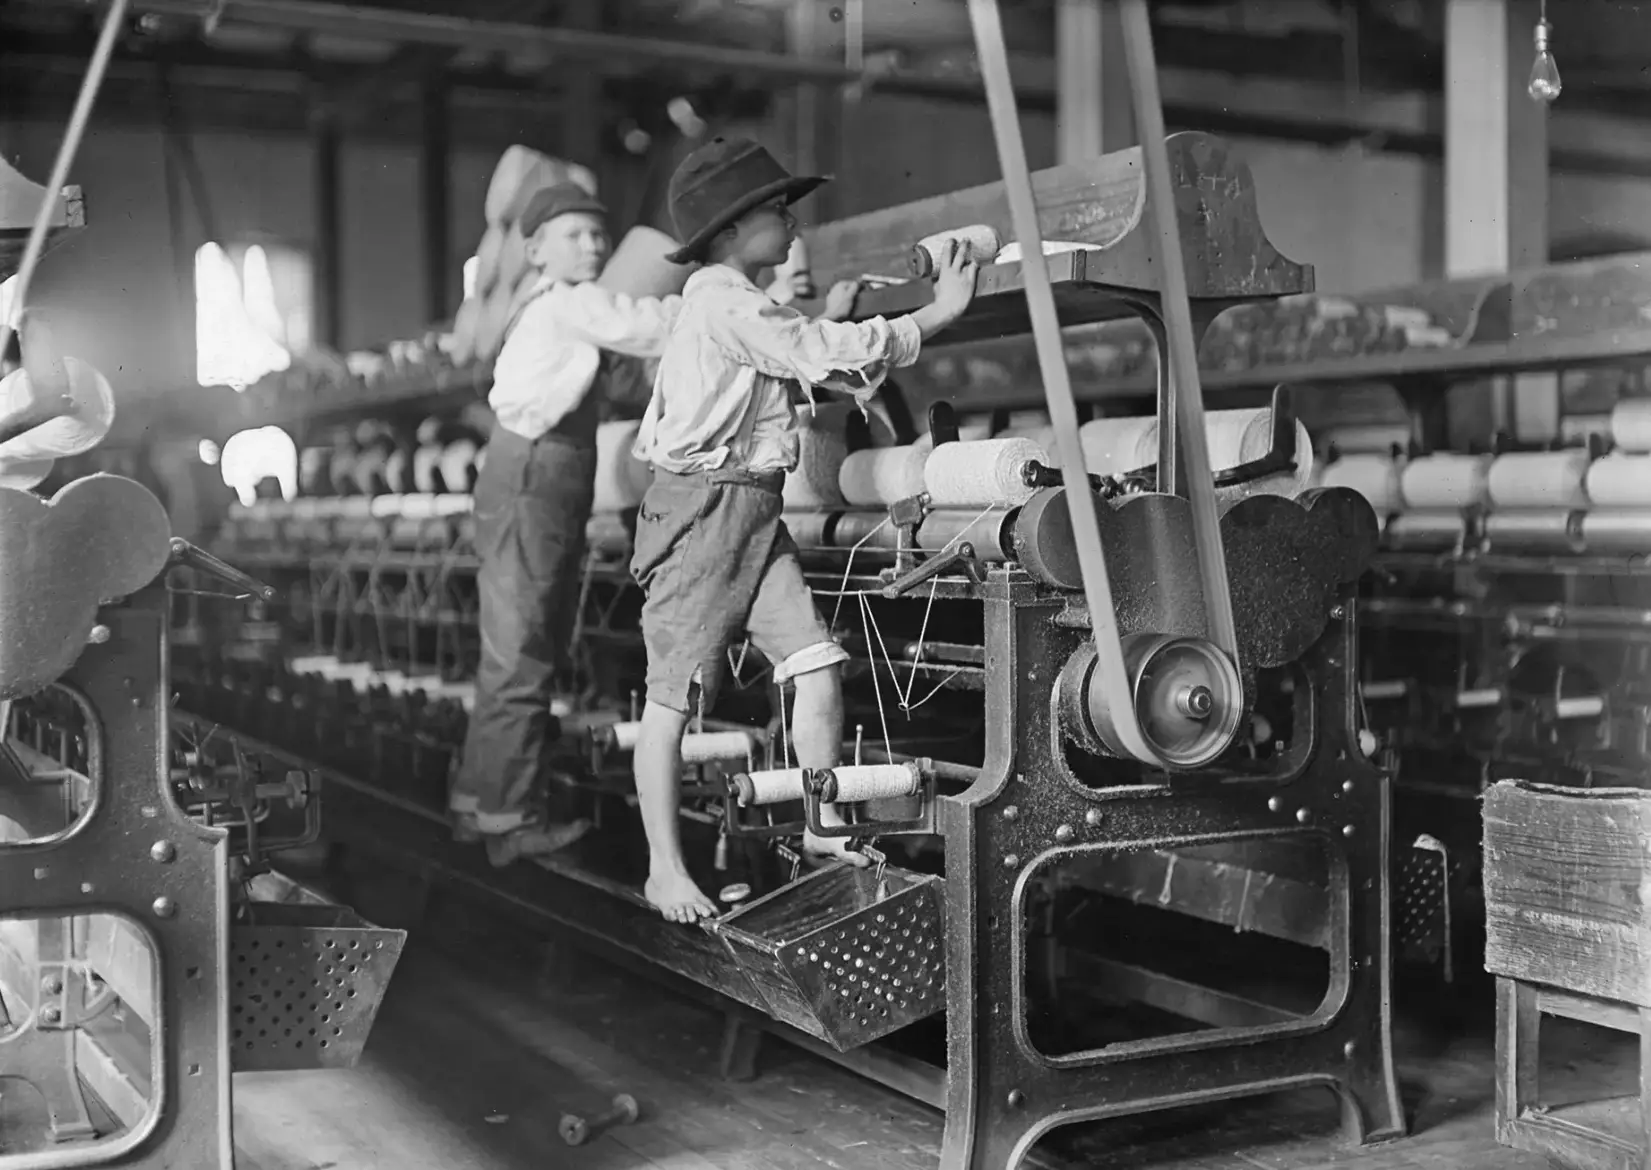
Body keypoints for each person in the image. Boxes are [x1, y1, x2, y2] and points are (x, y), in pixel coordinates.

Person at [630, 137, 978, 922]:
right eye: (776, 211)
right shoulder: (723, 299)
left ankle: (821, 825)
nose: (792, 224)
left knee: (816, 664)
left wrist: (858, 335)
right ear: (727, 232)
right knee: (672, 700)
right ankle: (662, 868)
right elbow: (815, 351)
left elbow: (813, 354)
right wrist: (935, 315)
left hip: (752, 507)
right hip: (702, 513)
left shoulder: (743, 301)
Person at [450, 181, 683, 867]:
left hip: (527, 475)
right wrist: (721, 302)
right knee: (523, 652)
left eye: (596, 234)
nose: (592, 244)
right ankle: (511, 822)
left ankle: (480, 803)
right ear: (534, 250)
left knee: (514, 650)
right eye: (574, 235)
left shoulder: (552, 310)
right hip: (536, 479)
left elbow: (615, 381)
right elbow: (652, 326)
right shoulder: (571, 302)